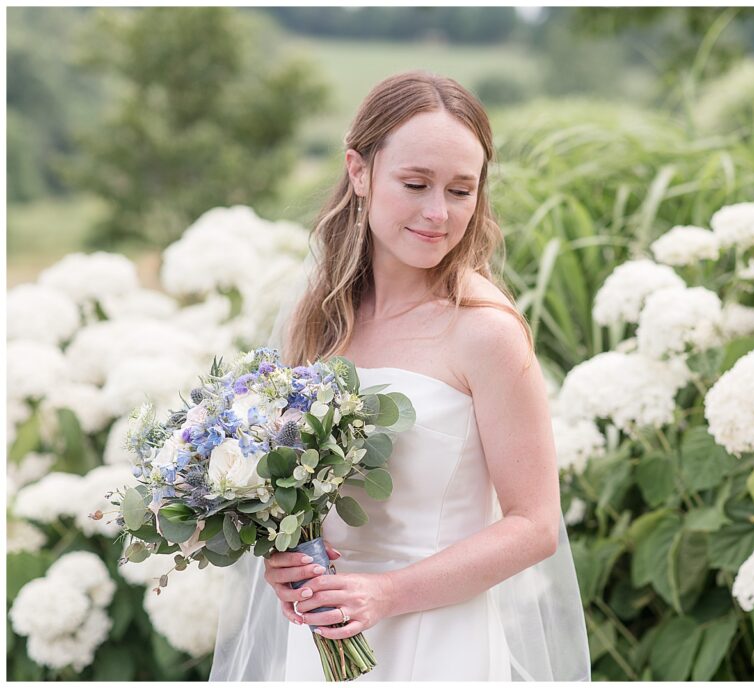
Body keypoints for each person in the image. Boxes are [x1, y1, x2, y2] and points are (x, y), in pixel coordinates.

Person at [209, 71, 590, 681]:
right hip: (320, 632)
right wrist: (282, 558)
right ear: (359, 172)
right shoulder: (316, 320)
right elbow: (291, 492)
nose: (438, 214)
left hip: (439, 639)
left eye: (462, 191)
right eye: (415, 184)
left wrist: (387, 594)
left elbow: (535, 526)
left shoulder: (485, 330)